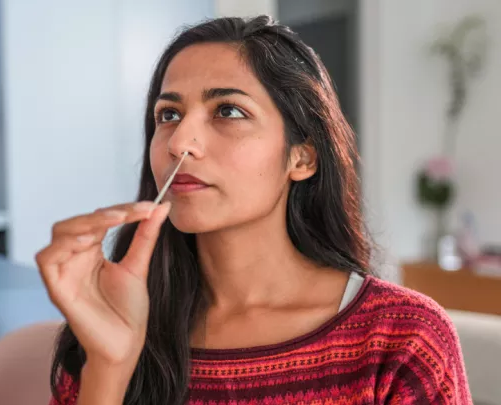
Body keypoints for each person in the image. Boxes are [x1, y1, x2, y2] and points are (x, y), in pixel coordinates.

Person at [36, 15, 472, 405]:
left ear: (302, 158)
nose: (179, 143)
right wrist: (110, 367)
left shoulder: (402, 339)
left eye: (227, 110)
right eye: (168, 115)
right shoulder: (111, 320)